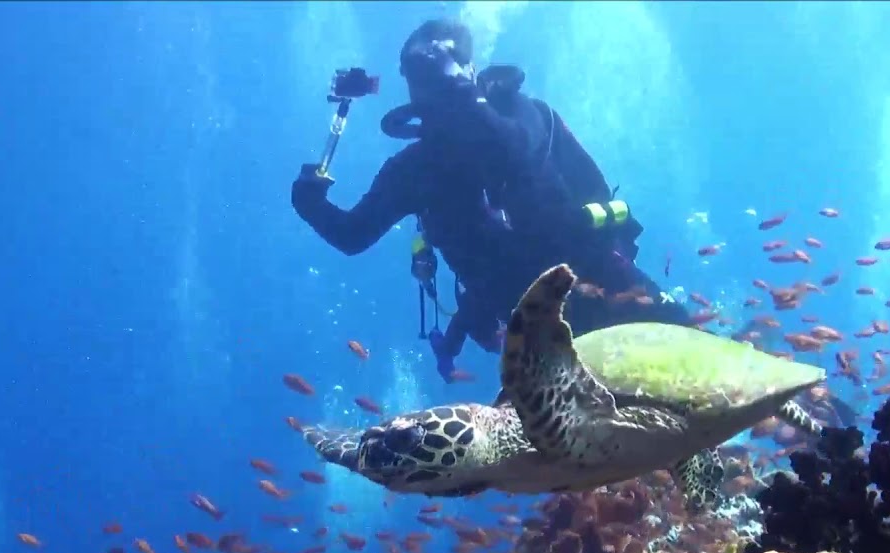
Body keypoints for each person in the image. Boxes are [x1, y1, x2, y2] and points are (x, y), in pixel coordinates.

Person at [292, 19, 692, 383]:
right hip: (536, 335)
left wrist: (463, 94)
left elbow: (514, 153)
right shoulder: (415, 168)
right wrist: (309, 204)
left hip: (610, 288)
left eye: (447, 63)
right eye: (422, 73)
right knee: (597, 448)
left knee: (700, 383)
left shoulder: (521, 111)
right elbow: (352, 235)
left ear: (469, 67)